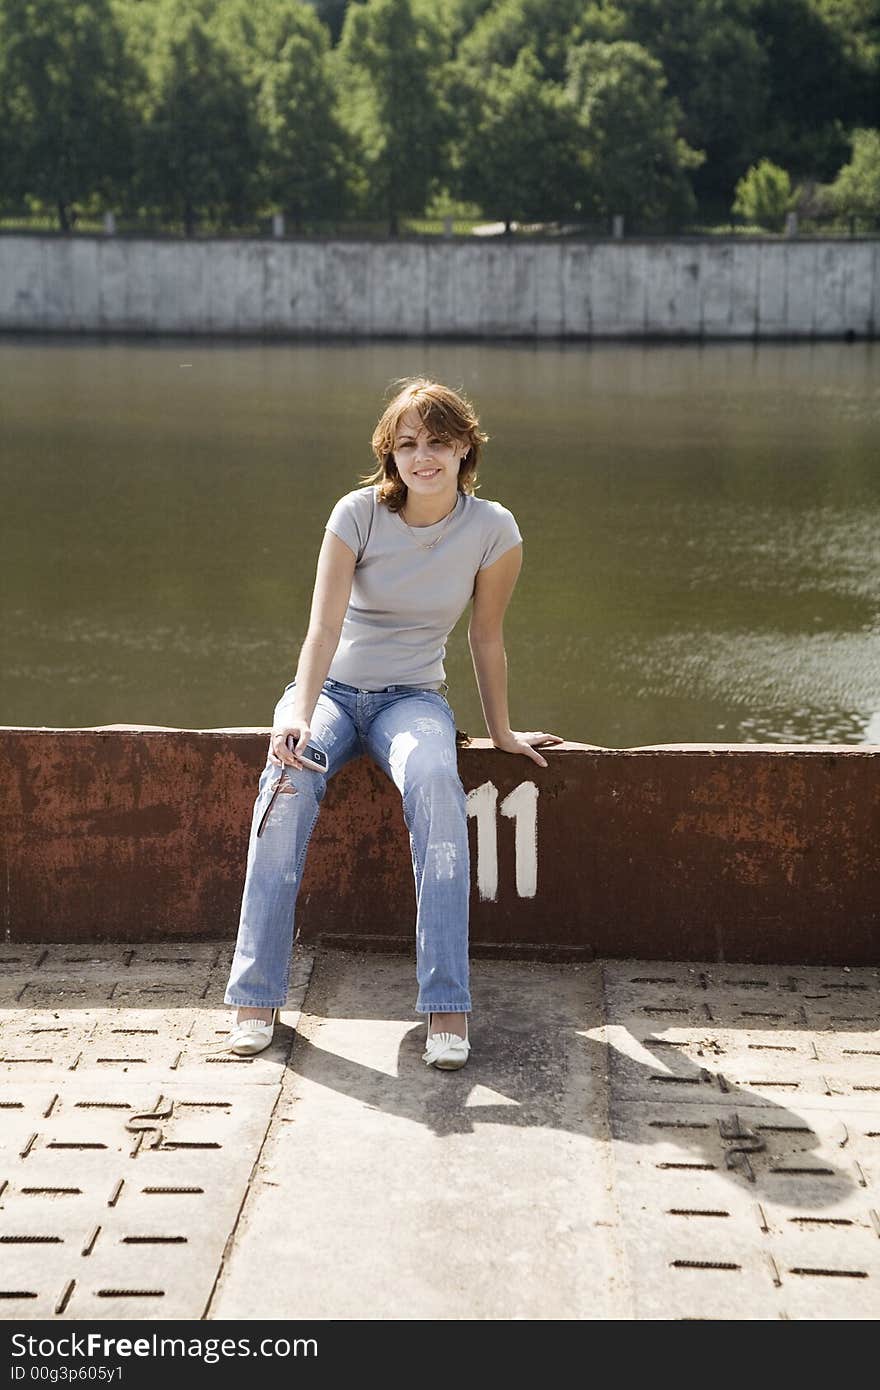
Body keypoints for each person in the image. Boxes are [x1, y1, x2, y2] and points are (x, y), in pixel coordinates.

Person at [222, 377, 562, 1069]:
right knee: (286, 782)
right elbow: (321, 629)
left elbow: (485, 639)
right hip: (334, 693)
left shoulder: (493, 529)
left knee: (437, 777)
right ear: (390, 453)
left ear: (466, 447)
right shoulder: (357, 514)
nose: (423, 456)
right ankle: (255, 994)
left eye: (438, 441)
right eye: (407, 444)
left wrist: (499, 733)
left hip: (414, 699)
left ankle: (446, 1004)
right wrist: (299, 715)